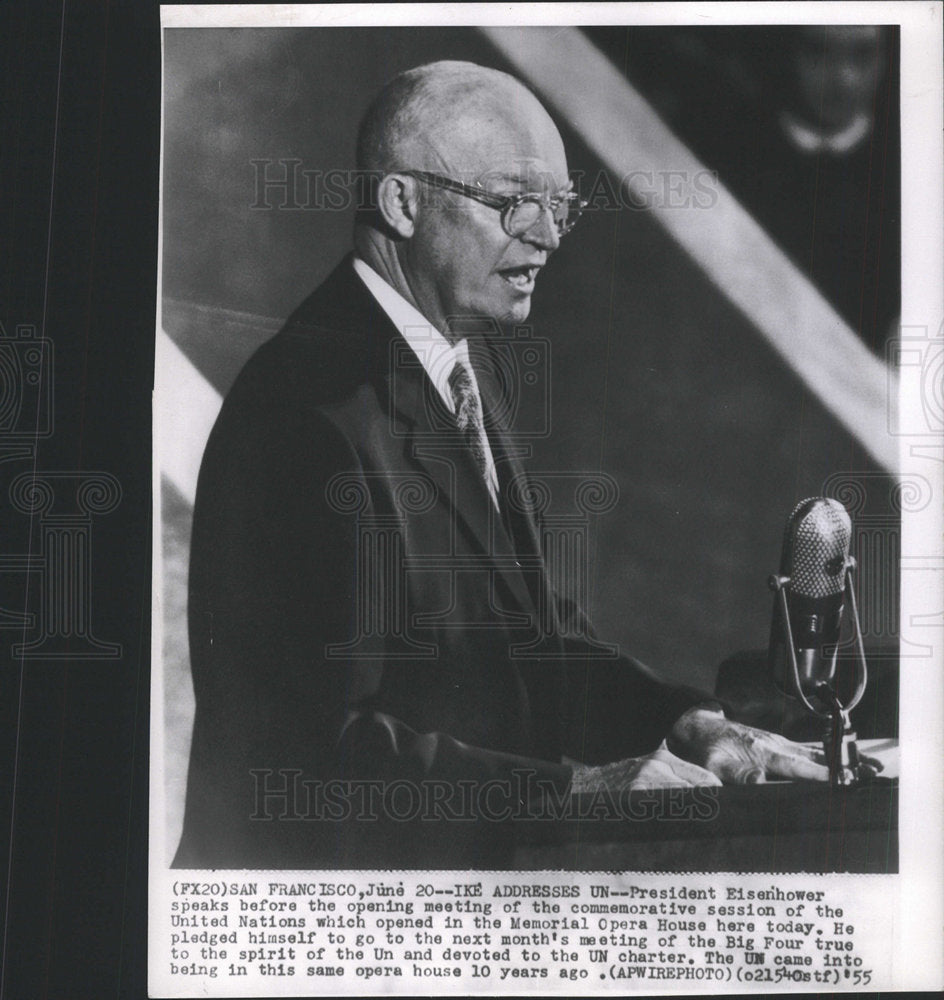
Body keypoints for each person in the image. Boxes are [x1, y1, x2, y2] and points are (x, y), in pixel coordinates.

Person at [174, 60, 833, 870]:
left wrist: (692, 722)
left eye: (560, 206)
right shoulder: (302, 415)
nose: (549, 236)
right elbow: (305, 762)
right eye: (514, 203)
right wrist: (575, 793)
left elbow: (532, 638)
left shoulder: (454, 359)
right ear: (402, 203)